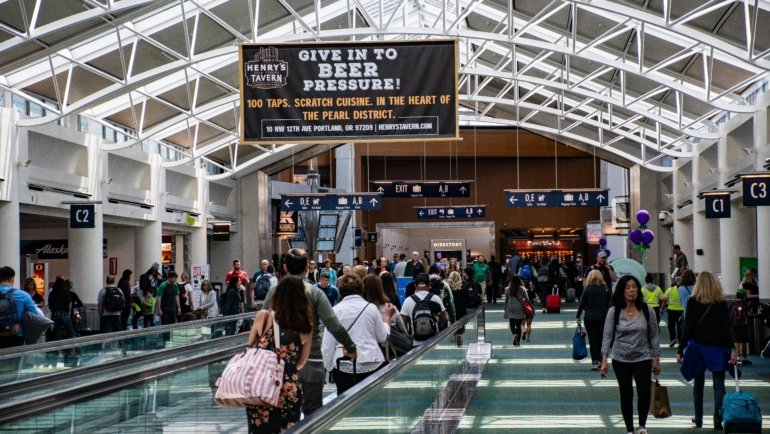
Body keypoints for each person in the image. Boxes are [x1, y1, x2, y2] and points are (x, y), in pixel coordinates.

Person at [261, 248, 357, 416]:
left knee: (283, 411)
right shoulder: (315, 292)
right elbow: (333, 324)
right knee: (313, 412)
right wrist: (350, 346)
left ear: (285, 268)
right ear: (307, 268)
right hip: (311, 359)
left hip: (279, 361)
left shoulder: (274, 292)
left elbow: (262, 323)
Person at [246, 277, 312, 433]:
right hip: (289, 385)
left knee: (260, 428)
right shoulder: (305, 324)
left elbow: (250, 346)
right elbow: (302, 361)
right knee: (288, 428)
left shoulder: (264, 316)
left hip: (260, 384)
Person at [676, 271, 736, 431]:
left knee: (698, 384)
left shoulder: (693, 302)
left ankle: (699, 418)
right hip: (718, 347)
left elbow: (687, 327)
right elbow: (726, 328)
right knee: (718, 384)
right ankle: (718, 419)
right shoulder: (721, 303)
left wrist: (680, 349)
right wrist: (733, 348)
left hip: (698, 346)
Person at [600, 275, 660, 434]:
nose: (631, 290)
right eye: (627, 287)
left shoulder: (648, 311)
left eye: (634, 286)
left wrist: (656, 358)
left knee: (644, 391)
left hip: (643, 357)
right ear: (621, 291)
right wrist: (604, 360)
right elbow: (607, 336)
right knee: (626, 393)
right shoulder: (614, 312)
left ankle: (642, 425)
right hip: (621, 358)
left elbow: (654, 335)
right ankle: (629, 429)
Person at [324, 275, 394, 394]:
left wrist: (330, 367)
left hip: (344, 365)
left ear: (340, 291)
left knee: (345, 405)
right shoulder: (371, 308)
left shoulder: (336, 310)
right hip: (372, 363)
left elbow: (327, 344)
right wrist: (387, 319)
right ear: (361, 289)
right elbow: (382, 337)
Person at [576, 270, 611, 370]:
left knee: (593, 340)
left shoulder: (588, 289)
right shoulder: (605, 289)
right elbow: (610, 303)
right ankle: (601, 360)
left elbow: (582, 304)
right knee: (601, 339)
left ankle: (595, 362)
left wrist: (578, 316)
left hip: (590, 318)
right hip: (603, 317)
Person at [0, 267, 41, 348]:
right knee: (13, 360)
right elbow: (34, 316)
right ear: (12, 279)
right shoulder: (23, 295)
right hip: (16, 336)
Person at [400, 273, 447, 344]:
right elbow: (443, 319)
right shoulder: (435, 298)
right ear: (429, 285)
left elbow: (403, 323)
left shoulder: (408, 300)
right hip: (433, 341)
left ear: (415, 285)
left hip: (416, 342)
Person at [504, 276, 530, 347]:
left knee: (512, 325)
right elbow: (527, 299)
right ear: (519, 281)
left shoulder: (507, 289)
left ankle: (514, 334)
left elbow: (506, 300)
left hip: (511, 308)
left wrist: (505, 309)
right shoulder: (522, 289)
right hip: (520, 308)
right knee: (518, 325)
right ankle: (518, 341)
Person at [729, 288, 751, 365]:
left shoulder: (732, 304)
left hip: (734, 326)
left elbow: (730, 316)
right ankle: (744, 358)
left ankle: (737, 358)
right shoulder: (745, 304)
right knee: (744, 341)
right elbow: (748, 315)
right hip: (743, 325)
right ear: (744, 296)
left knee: (736, 341)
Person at [661, 281, 684, 348]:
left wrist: (662, 308)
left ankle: (673, 339)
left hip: (671, 310)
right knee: (679, 325)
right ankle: (680, 340)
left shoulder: (670, 289)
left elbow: (664, 298)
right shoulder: (682, 290)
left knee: (671, 325)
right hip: (680, 310)